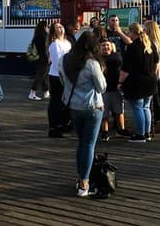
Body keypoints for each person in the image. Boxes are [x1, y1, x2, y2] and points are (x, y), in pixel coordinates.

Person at [61, 31, 106, 197]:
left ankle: (81, 177)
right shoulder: (92, 63)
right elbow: (102, 87)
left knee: (81, 142)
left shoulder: (64, 59)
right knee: (89, 144)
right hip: (92, 106)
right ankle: (84, 182)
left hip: (73, 106)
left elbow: (61, 79)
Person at [118, 23, 159, 143]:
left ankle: (140, 135)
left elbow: (126, 69)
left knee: (137, 108)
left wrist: (120, 82)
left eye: (129, 32)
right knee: (146, 107)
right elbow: (156, 61)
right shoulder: (150, 44)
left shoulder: (132, 47)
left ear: (133, 32)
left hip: (137, 82)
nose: (128, 34)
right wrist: (152, 73)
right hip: (150, 79)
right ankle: (147, 133)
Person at [47, 22, 73, 138]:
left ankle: (64, 122)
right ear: (54, 31)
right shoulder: (54, 44)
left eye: (61, 26)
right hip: (56, 75)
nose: (60, 28)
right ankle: (54, 126)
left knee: (65, 100)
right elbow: (58, 61)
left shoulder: (67, 43)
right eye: (57, 27)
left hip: (66, 75)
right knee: (56, 101)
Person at [98, 38, 126, 141]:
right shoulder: (98, 59)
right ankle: (104, 132)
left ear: (111, 46)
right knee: (104, 113)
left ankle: (121, 129)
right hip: (104, 90)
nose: (106, 47)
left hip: (115, 88)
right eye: (103, 45)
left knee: (119, 111)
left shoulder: (116, 57)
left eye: (107, 45)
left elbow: (117, 61)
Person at [144, 20, 160, 135]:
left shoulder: (152, 43)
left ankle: (158, 122)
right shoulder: (159, 42)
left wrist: (152, 74)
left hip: (155, 75)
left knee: (155, 100)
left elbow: (155, 62)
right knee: (158, 99)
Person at [28, 21, 50, 101]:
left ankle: (46, 91)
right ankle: (32, 93)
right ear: (44, 26)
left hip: (38, 57)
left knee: (43, 75)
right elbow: (46, 48)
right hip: (44, 58)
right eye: (47, 26)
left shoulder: (37, 35)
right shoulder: (44, 36)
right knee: (41, 75)